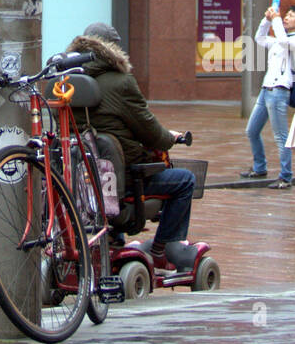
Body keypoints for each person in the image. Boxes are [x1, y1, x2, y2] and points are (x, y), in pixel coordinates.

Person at [67, 22, 198, 272]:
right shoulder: (120, 81)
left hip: (80, 179)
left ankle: (113, 238)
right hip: (124, 178)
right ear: (114, 49)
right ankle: (162, 247)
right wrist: (171, 138)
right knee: (185, 180)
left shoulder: (69, 81)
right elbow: (151, 133)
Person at [241, 3, 295, 189]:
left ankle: (286, 176)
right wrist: (267, 19)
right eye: (285, 15)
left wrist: (277, 19)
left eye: (291, 16)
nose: (286, 17)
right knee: (252, 130)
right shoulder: (281, 38)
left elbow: (284, 42)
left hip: (279, 90)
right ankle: (260, 166)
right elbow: (259, 38)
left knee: (281, 136)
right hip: (266, 89)